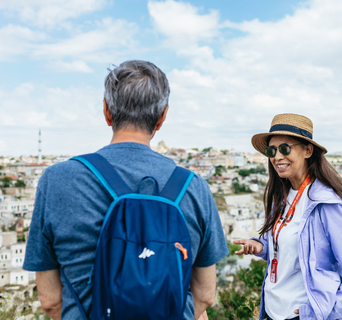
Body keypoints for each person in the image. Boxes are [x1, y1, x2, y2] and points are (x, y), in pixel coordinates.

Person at [23, 60, 228, 319]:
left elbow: (51, 301)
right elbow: (205, 295)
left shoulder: (57, 180)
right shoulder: (194, 187)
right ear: (162, 117)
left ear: (106, 111)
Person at [233, 113, 342, 320]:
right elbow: (292, 247)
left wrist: (323, 313)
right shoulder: (281, 198)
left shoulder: (327, 205)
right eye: (271, 150)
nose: (277, 156)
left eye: (284, 148)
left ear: (308, 150)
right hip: (272, 312)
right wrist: (261, 246)